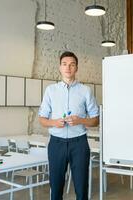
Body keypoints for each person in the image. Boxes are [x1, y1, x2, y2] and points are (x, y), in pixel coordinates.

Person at [38, 51, 99, 200]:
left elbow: (96, 120)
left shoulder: (86, 91)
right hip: (56, 143)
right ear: (60, 67)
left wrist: (80, 120)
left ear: (76, 68)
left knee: (81, 187)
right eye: (64, 64)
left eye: (72, 64)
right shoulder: (50, 90)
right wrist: (54, 122)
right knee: (56, 187)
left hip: (79, 143)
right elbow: (42, 119)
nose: (68, 68)